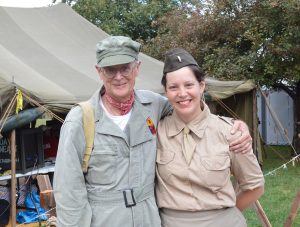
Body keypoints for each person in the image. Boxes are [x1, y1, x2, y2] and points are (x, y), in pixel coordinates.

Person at [53, 36, 253, 227]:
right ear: (99, 72)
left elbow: (190, 108)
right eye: (110, 70)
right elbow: (68, 191)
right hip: (104, 219)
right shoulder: (80, 120)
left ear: (137, 68)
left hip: (149, 218)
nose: (119, 76)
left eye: (125, 68)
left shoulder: (153, 105)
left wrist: (235, 125)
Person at [155, 48, 265, 227]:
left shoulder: (230, 132)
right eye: (173, 87)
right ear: (166, 91)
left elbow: (255, 186)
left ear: (202, 86)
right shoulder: (155, 132)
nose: (182, 93)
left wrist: (227, 216)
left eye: (189, 85)